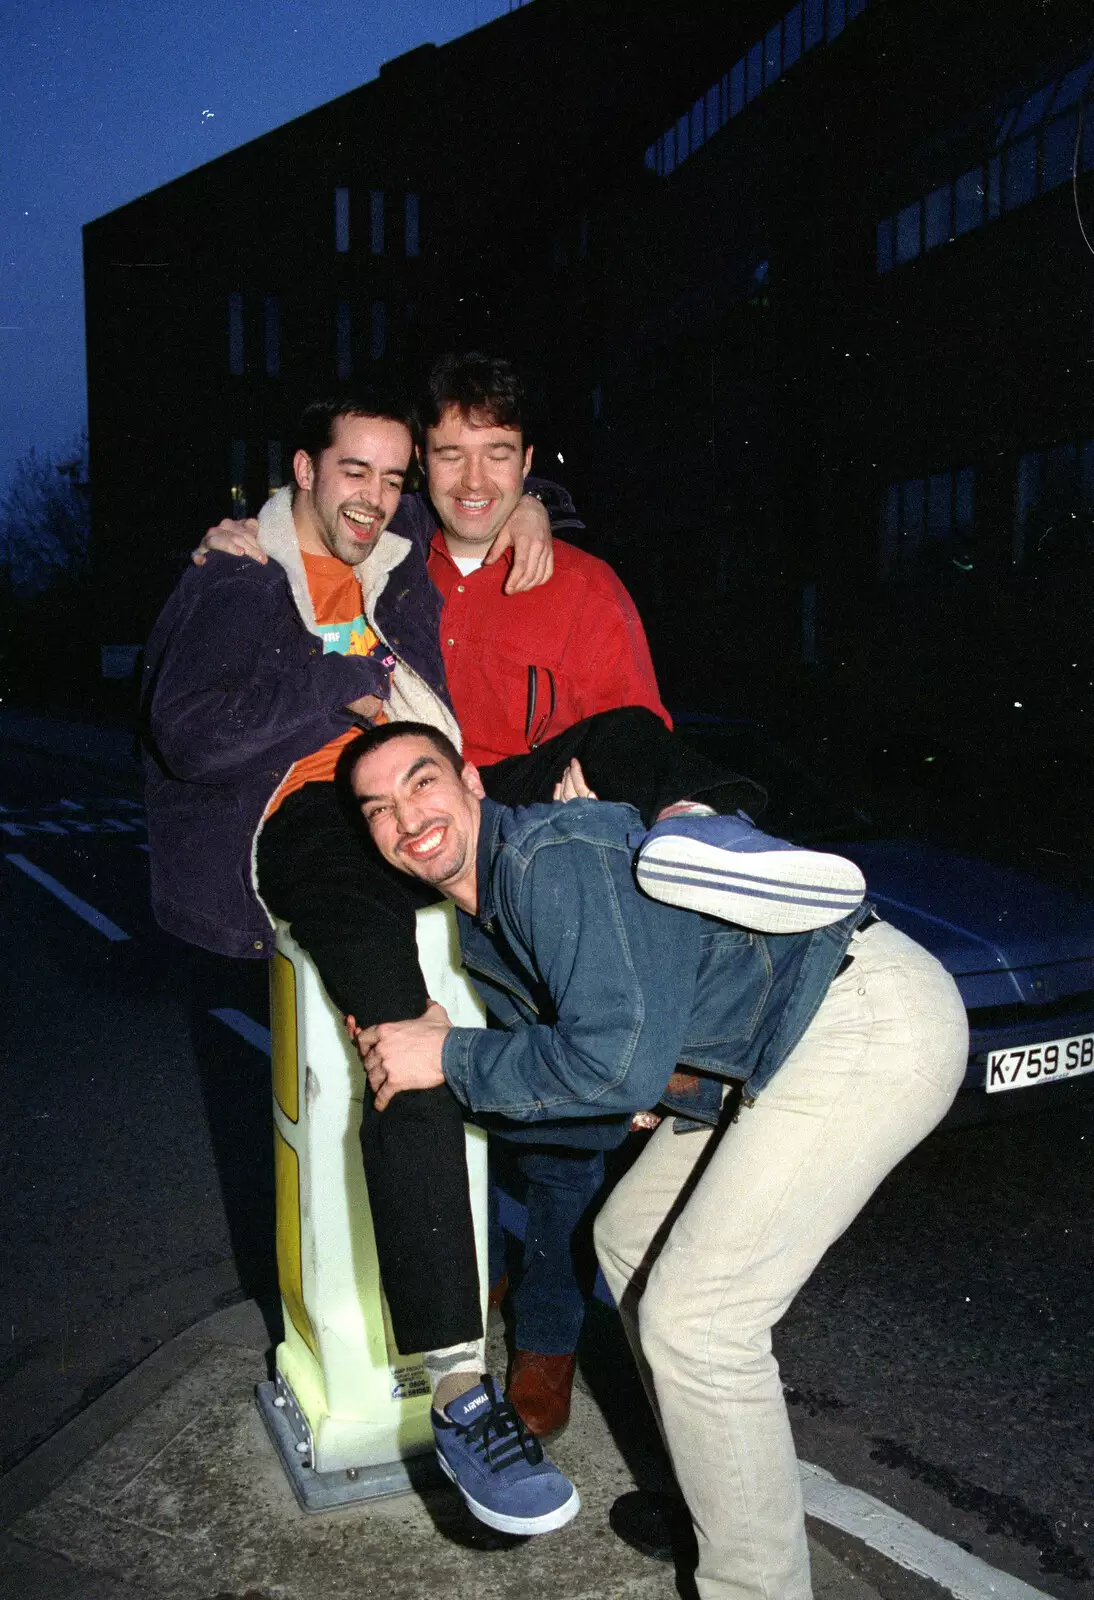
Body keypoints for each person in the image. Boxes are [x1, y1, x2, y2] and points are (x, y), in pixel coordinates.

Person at [148, 378, 863, 1536]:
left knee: (622, 738)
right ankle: (454, 1384)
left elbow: (485, 500)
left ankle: (710, 832)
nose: (377, 497)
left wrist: (538, 507)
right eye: (355, 473)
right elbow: (187, 728)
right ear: (302, 473)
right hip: (315, 819)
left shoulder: (404, 558)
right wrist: (340, 676)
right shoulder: (237, 570)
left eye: (393, 476)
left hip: (440, 782)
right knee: (405, 1037)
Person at [344, 723, 968, 1595]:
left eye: (421, 784)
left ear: (473, 784)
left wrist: (447, 1059)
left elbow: (605, 1064)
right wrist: (472, 1062)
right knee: (628, 1240)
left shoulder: (546, 859)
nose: (406, 818)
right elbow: (579, 1102)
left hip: (861, 1017)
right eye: (378, 809)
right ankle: (719, 1500)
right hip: (761, 1057)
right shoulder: (484, 933)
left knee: (697, 1319)